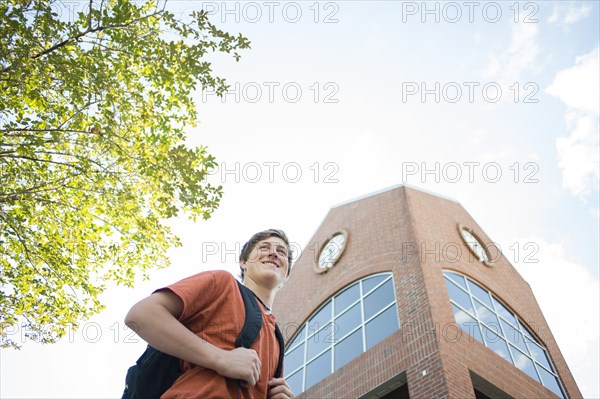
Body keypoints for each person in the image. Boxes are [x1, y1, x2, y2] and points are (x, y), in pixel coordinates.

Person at [124, 229, 295, 399]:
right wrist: (221, 358)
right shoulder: (223, 284)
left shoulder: (276, 339)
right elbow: (141, 315)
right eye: (264, 248)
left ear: (287, 275)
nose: (273, 253)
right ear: (243, 262)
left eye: (281, 252)